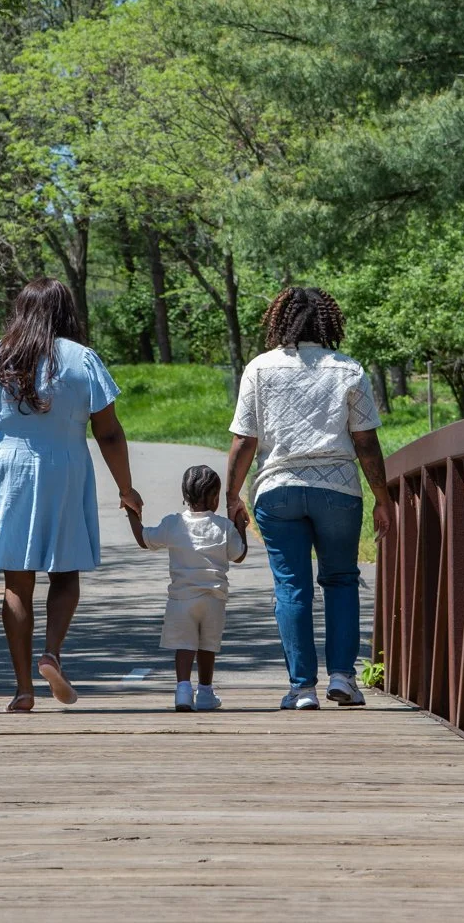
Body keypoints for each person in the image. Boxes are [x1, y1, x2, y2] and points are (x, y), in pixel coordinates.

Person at [0, 277, 143, 713]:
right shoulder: (83, 360)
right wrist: (126, 489)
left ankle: (22, 689)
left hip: (4, 471)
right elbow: (108, 432)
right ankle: (52, 652)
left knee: (16, 583)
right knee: (65, 568)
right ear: (66, 312)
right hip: (65, 469)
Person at [226, 286, 391, 712]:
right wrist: (383, 498)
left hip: (277, 491)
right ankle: (342, 678)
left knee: (291, 585)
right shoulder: (348, 370)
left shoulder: (259, 369)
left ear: (281, 322)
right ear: (327, 324)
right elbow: (366, 442)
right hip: (337, 490)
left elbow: (245, 441)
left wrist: (231, 496)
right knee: (340, 580)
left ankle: (302, 689)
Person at [125, 464, 246, 712]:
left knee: (185, 645)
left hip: (181, 600)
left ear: (184, 497)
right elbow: (238, 555)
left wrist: (131, 512)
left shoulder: (173, 523)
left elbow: (144, 539)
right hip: (214, 599)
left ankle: (182, 690)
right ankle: (205, 692)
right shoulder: (223, 526)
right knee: (207, 646)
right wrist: (241, 524)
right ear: (214, 499)